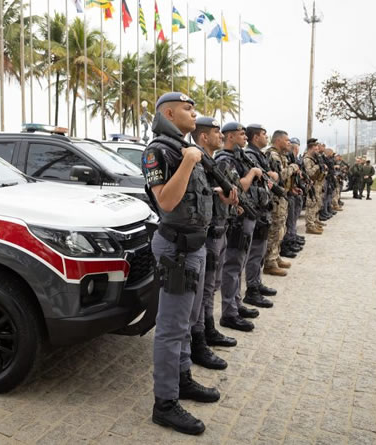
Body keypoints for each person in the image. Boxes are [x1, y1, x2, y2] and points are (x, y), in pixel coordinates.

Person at [142, 92, 231, 435]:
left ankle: (181, 380)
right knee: (170, 328)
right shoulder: (158, 151)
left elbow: (199, 194)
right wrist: (189, 162)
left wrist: (222, 192)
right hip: (176, 249)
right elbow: (165, 202)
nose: (194, 114)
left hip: (196, 246)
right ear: (168, 113)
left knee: (188, 319)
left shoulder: (184, 149)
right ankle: (164, 403)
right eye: (187, 109)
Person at [188, 116, 237, 370]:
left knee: (212, 285)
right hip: (205, 234)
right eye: (217, 132)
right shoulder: (197, 162)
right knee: (203, 289)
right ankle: (199, 340)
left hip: (219, 228)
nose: (221, 136)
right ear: (204, 137)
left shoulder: (210, 163)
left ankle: (208, 329)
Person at [216, 122, 263, 333]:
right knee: (232, 265)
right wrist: (252, 173)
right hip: (235, 221)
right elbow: (238, 187)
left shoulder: (238, 158)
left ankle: (235, 303)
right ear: (230, 137)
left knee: (240, 263)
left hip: (245, 217)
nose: (245, 137)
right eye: (241, 134)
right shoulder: (224, 159)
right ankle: (229, 313)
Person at [242, 124, 280, 306]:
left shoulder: (259, 155)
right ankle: (252, 289)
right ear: (256, 137)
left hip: (262, 208)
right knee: (255, 252)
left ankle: (256, 283)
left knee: (260, 250)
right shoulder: (250, 155)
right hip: (255, 209)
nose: (267, 137)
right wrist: (269, 175)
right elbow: (254, 180)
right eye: (264, 134)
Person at [264, 130, 299, 276]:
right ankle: (270, 262)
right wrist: (293, 168)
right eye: (287, 141)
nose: (289, 144)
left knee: (281, 229)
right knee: (275, 229)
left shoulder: (281, 156)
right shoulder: (272, 155)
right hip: (275, 199)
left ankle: (275, 256)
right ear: (278, 141)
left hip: (282, 197)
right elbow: (278, 177)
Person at [281, 138, 305, 258]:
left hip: (289, 192)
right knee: (285, 222)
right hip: (283, 195)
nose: (288, 144)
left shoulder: (289, 158)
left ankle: (291, 238)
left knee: (292, 218)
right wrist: (293, 168)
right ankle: (286, 243)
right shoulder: (277, 156)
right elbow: (281, 176)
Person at [303, 139, 325, 234]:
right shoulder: (307, 159)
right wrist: (317, 166)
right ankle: (310, 225)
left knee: (316, 204)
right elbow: (309, 173)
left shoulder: (314, 159)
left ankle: (313, 222)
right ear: (311, 149)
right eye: (315, 149)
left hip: (316, 184)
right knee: (311, 205)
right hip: (310, 185)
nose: (317, 151)